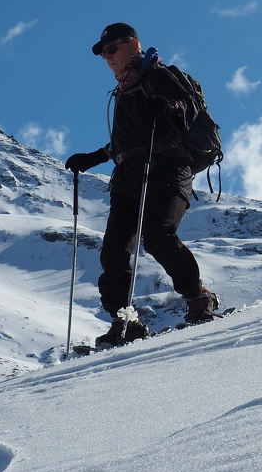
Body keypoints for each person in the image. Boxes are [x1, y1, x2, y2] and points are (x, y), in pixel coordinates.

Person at [65, 22, 219, 347]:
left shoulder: (161, 76)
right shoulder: (124, 91)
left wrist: (171, 106)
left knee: (158, 235)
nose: (107, 58)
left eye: (112, 49)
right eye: (103, 53)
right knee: (113, 253)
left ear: (133, 46)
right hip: (128, 178)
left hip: (167, 169)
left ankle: (199, 299)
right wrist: (93, 158)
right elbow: (125, 141)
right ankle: (126, 324)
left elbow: (189, 106)